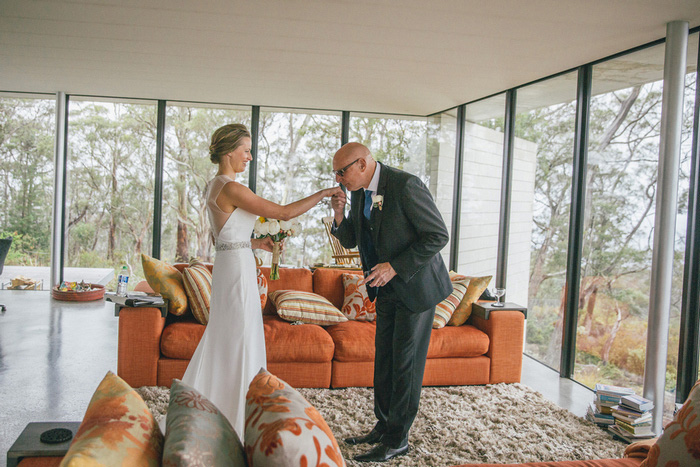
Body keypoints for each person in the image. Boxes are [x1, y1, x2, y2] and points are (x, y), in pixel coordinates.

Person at [180, 123, 341, 440]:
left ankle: (216, 408)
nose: (250, 157)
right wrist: (324, 194)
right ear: (230, 152)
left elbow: (225, 236)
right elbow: (282, 212)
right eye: (246, 150)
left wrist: (257, 244)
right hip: (237, 273)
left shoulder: (214, 186)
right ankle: (238, 417)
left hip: (231, 262)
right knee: (239, 337)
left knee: (229, 337)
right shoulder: (232, 188)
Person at [330, 142, 452, 463]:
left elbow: (438, 235)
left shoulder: (405, 185)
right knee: (384, 360)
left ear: (362, 164)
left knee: (405, 366)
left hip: (415, 288)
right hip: (384, 290)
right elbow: (354, 238)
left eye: (342, 172)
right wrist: (339, 215)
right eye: (336, 174)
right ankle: (383, 427)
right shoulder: (358, 191)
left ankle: (398, 439)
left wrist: (395, 266)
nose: (339, 179)